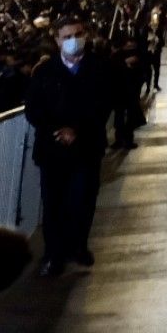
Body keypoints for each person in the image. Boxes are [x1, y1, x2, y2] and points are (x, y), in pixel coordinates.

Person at [24, 14, 114, 277]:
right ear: (57, 40)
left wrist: (78, 130)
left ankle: (79, 246)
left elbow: (103, 104)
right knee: (53, 203)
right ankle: (54, 254)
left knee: (84, 199)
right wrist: (57, 130)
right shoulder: (44, 72)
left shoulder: (100, 68)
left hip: (86, 147)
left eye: (77, 35)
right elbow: (34, 109)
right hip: (53, 149)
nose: (73, 41)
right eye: (67, 37)